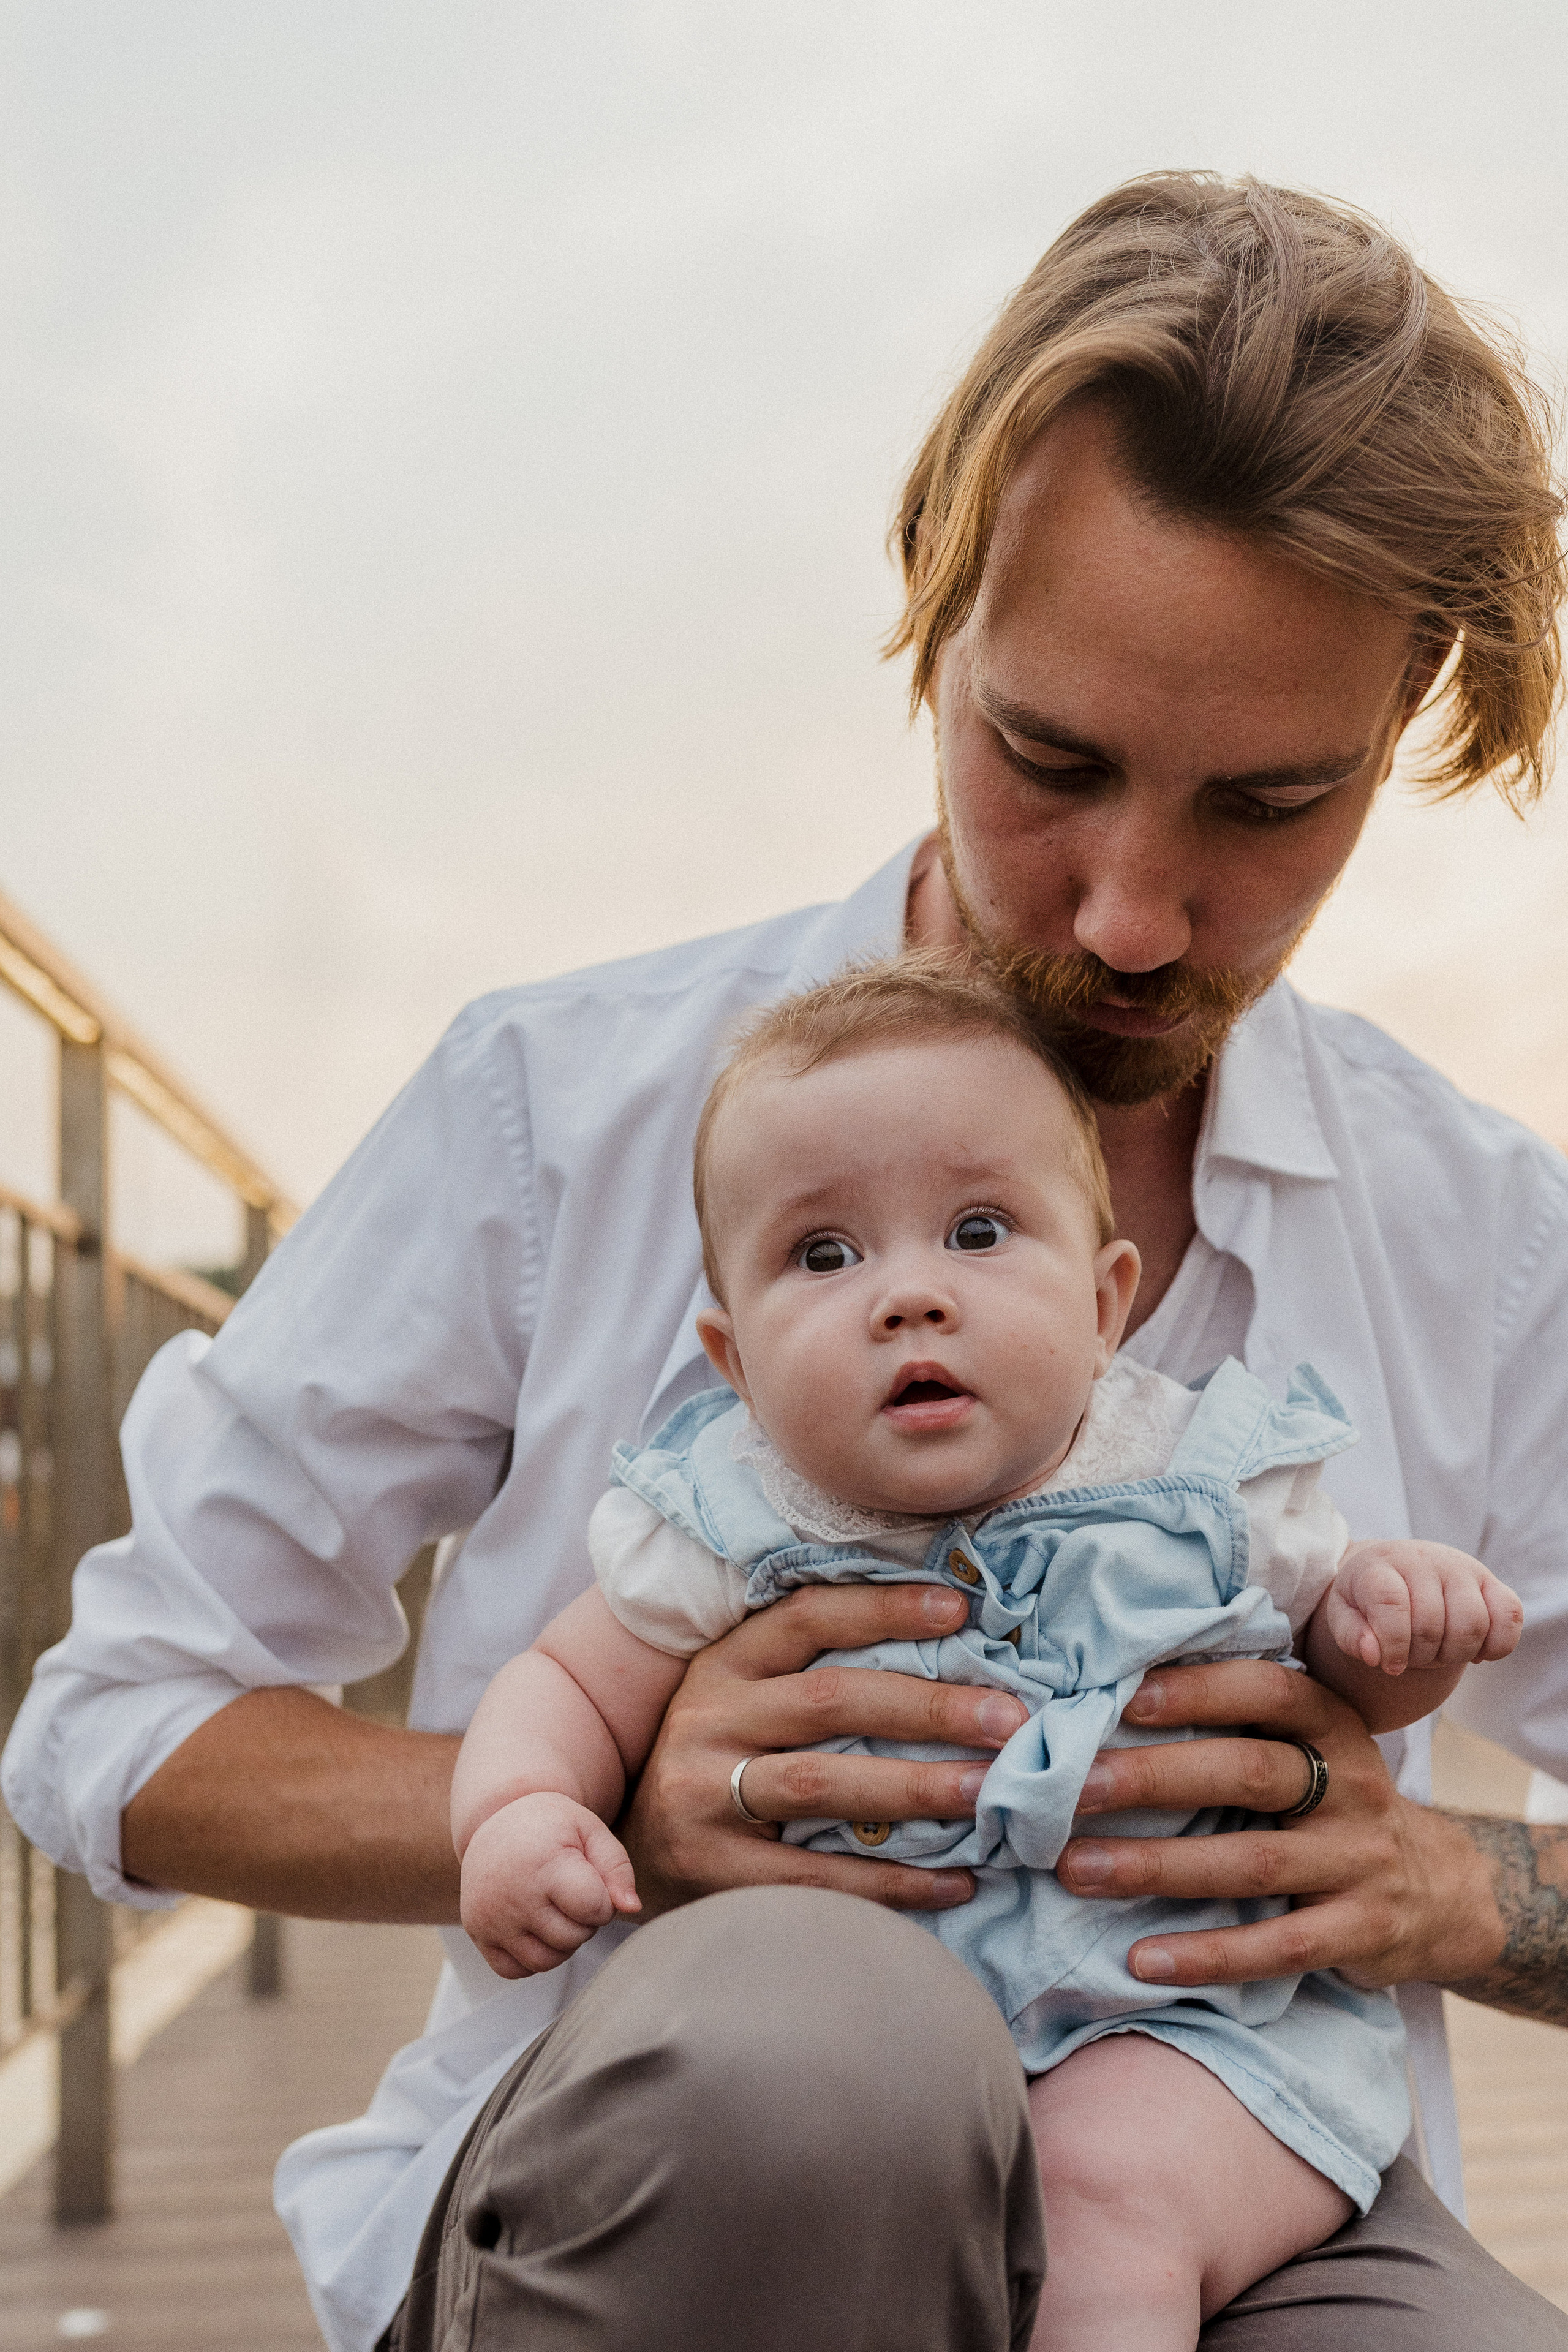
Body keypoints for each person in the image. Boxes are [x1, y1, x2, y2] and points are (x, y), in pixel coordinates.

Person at [5, 170, 1568, 2352]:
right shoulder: (552, 1110)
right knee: (807, 2081)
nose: (1129, 910)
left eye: (1267, 807)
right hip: (696, 2168)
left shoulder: (1485, 1231)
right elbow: (117, 1727)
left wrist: (1454, 1883)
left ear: (1414, 723)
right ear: (934, 616)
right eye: (1050, 758)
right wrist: (592, 1793)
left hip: (1232, 2180)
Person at [454, 959, 1524, 2350]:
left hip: (1182, 2030)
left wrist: (1400, 1623)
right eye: (823, 1256)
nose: (907, 1297)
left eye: (975, 1231)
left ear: (1103, 1305)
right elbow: (562, 1685)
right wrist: (520, 1814)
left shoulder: (1203, 1485)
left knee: (1095, 2208)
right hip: (836, 2074)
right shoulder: (731, 1519)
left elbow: (1346, 1684)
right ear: (730, 1359)